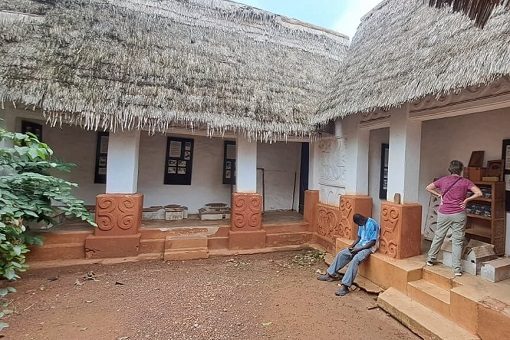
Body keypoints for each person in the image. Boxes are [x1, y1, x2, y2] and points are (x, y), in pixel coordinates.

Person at [425, 160, 482, 276]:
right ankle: (457, 269)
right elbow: (479, 193)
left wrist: (439, 195)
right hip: (459, 214)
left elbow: (428, 188)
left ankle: (431, 259)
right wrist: (466, 200)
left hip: (444, 213)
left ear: (450, 169)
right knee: (457, 241)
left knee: (438, 236)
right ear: (461, 170)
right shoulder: (465, 182)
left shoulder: (443, 180)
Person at [317, 213, 379, 296]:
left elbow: (372, 242)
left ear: (361, 220)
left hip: (368, 248)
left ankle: (345, 286)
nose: (359, 225)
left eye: (358, 224)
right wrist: (351, 246)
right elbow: (359, 238)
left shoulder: (372, 224)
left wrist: (359, 249)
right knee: (342, 253)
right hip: (360, 245)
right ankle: (330, 274)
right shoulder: (361, 223)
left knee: (355, 260)